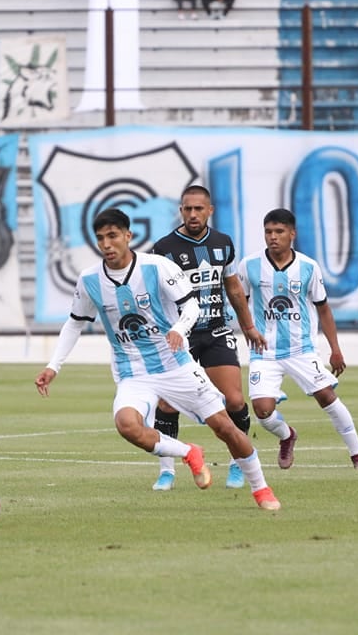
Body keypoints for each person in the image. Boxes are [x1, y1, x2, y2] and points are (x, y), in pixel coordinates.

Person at [34, 208, 281, 511]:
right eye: (100, 239)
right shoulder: (89, 280)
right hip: (133, 373)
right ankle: (189, 452)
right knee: (127, 425)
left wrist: (179, 329)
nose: (107, 244)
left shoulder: (157, 267)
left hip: (175, 364)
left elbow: (191, 307)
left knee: (225, 427)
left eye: (112, 236)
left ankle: (261, 489)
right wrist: (52, 366)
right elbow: (74, 323)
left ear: (128, 236)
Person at [148, 185, 267, 491]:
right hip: (180, 337)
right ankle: (167, 471)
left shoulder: (223, 244)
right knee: (167, 404)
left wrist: (249, 326)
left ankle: (237, 464)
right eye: (187, 209)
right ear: (181, 211)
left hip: (215, 331)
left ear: (209, 210)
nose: (192, 214)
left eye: (198, 209)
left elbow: (234, 288)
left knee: (236, 400)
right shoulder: (163, 249)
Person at [237, 208, 358, 469]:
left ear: (292, 233)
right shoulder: (249, 265)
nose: (273, 237)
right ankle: (287, 435)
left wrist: (335, 349)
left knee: (326, 396)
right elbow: (240, 303)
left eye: (279, 232)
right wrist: (248, 329)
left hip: (301, 348)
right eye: (268, 232)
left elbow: (323, 308)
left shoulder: (308, 267)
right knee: (262, 411)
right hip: (264, 350)